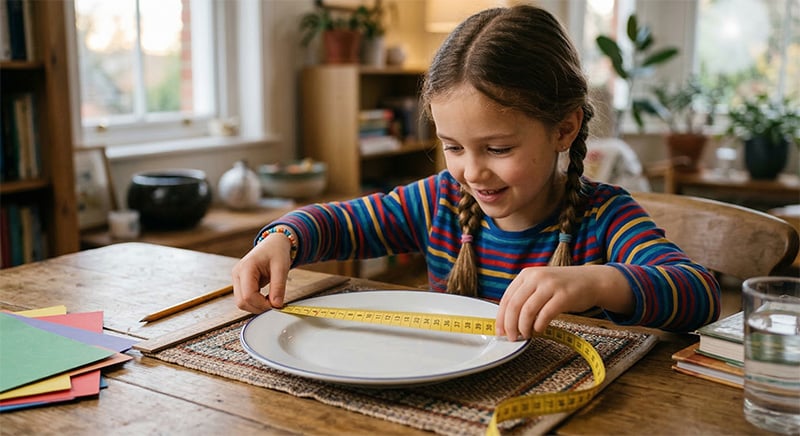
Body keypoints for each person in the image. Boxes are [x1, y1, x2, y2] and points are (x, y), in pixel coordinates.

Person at [232, 5, 720, 339]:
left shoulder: (605, 216)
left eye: (498, 147)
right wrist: (283, 239)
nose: (471, 171)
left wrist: (595, 282)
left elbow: (698, 293)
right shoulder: (437, 201)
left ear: (564, 129)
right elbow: (340, 223)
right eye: (452, 147)